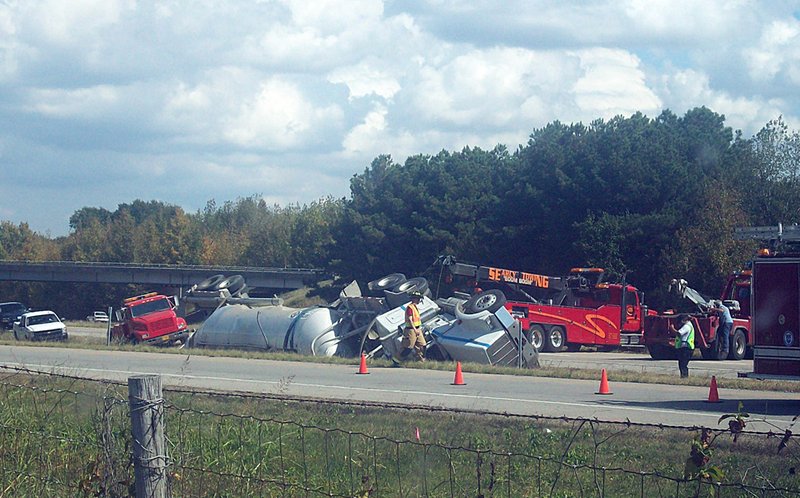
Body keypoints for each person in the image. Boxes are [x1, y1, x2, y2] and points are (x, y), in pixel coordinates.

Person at [400, 291, 427, 362]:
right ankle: (397, 360)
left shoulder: (415, 307)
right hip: (411, 330)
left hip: (417, 329)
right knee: (409, 347)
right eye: (418, 298)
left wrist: (418, 329)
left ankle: (421, 360)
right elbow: (410, 319)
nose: (419, 300)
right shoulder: (410, 307)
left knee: (423, 345)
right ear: (414, 299)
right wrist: (415, 329)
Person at [669, 314, 695, 378]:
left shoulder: (687, 326)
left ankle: (684, 377)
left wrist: (672, 328)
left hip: (686, 348)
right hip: (685, 347)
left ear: (684, 320)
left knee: (683, 364)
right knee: (682, 363)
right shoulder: (689, 325)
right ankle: (683, 376)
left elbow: (679, 333)